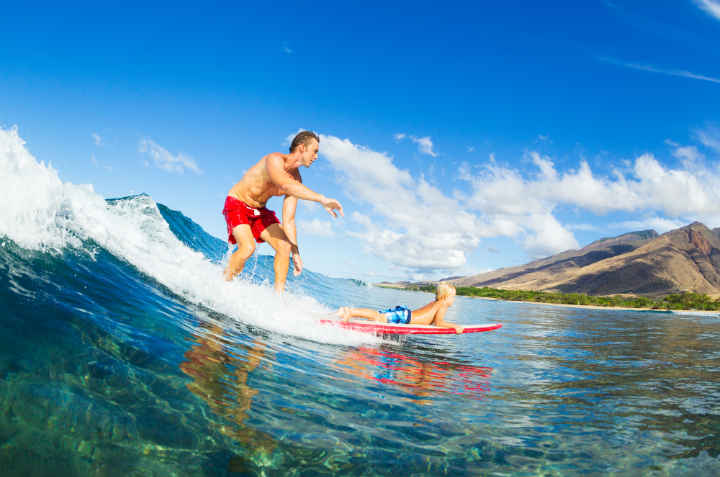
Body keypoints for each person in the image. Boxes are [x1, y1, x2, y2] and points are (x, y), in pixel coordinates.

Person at [222, 131, 343, 292]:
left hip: (259, 210)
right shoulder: (274, 160)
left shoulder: (297, 180)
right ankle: (224, 283)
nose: (316, 156)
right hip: (237, 203)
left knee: (284, 246)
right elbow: (285, 185)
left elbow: (289, 219)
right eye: (315, 151)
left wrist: (296, 252)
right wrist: (322, 199)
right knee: (247, 247)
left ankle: (278, 298)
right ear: (302, 148)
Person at [336, 283, 464, 333]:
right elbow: (439, 323)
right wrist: (455, 326)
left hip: (405, 315)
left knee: (378, 316)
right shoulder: (442, 304)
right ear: (446, 296)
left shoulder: (436, 303)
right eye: (453, 297)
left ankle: (348, 312)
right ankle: (350, 312)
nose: (454, 300)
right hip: (405, 317)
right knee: (378, 316)